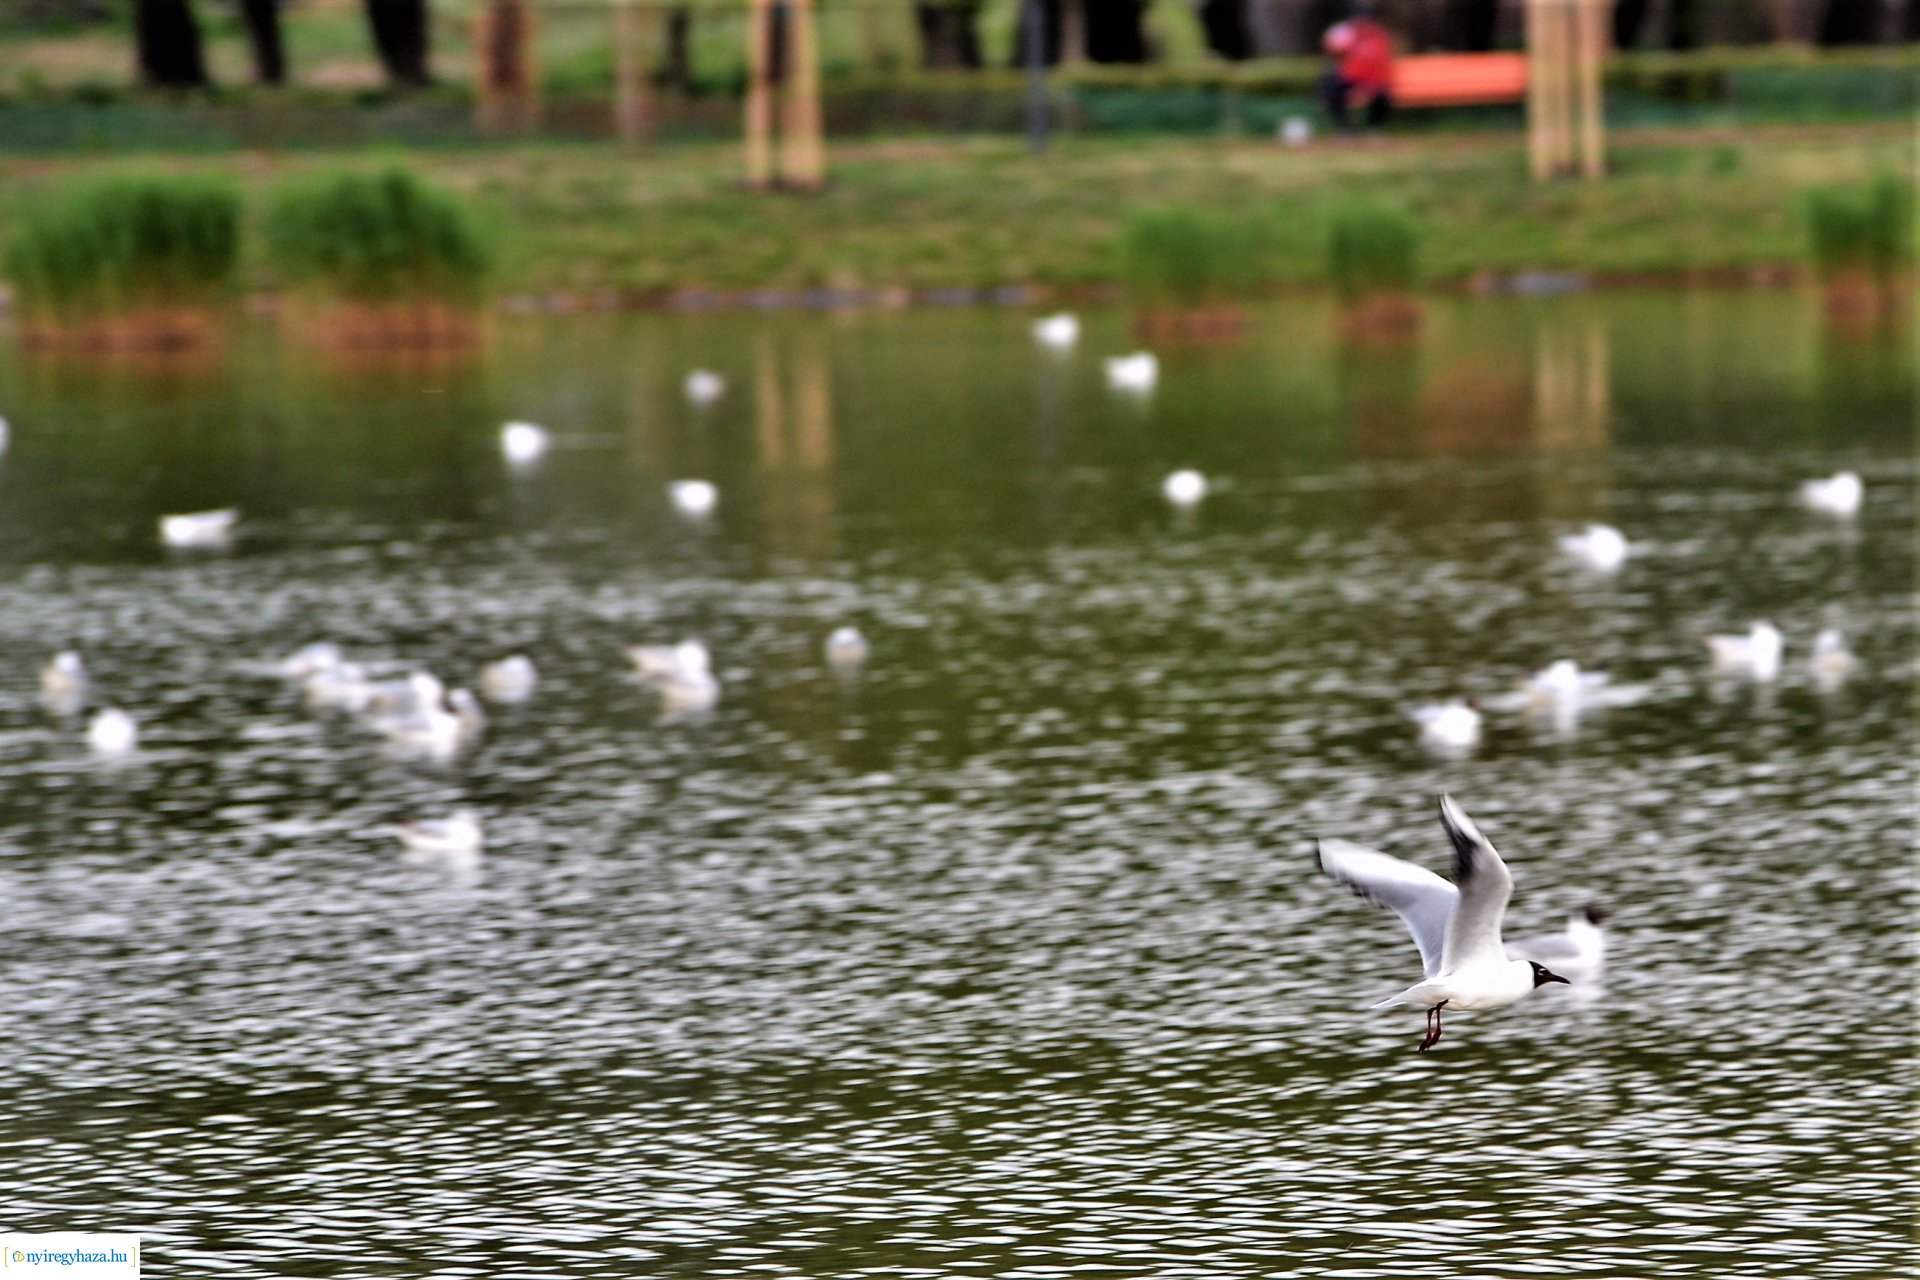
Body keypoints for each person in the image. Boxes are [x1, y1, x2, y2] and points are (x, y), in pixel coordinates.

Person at [1321, 3, 1395, 133]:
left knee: (1382, 95)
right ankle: (1345, 127)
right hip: (1351, 79)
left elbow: (1382, 64)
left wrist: (1370, 85)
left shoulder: (1377, 36)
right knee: (1331, 91)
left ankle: (1373, 128)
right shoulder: (1346, 34)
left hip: (1374, 81)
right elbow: (1334, 54)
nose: (1360, 22)